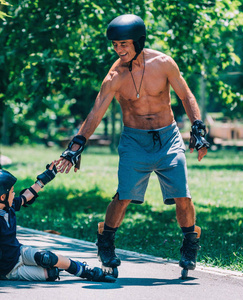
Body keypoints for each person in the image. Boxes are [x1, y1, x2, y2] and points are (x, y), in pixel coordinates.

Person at [56, 14, 210, 275]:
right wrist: (76, 145)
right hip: (134, 141)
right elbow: (95, 113)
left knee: (183, 195)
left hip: (168, 138)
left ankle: (189, 244)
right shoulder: (114, 76)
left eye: (124, 44)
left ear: (139, 41)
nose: (119, 50)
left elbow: (186, 95)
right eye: (115, 45)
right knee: (124, 196)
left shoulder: (163, 64)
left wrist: (197, 127)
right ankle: (105, 241)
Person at [0, 165, 116, 285]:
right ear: (2, 197)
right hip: (8, 269)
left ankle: (86, 271)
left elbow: (26, 197)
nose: (14, 194)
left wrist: (46, 176)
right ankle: (61, 268)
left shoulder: (7, 206)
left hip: (19, 252)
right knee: (51, 273)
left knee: (48, 258)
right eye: (12, 191)